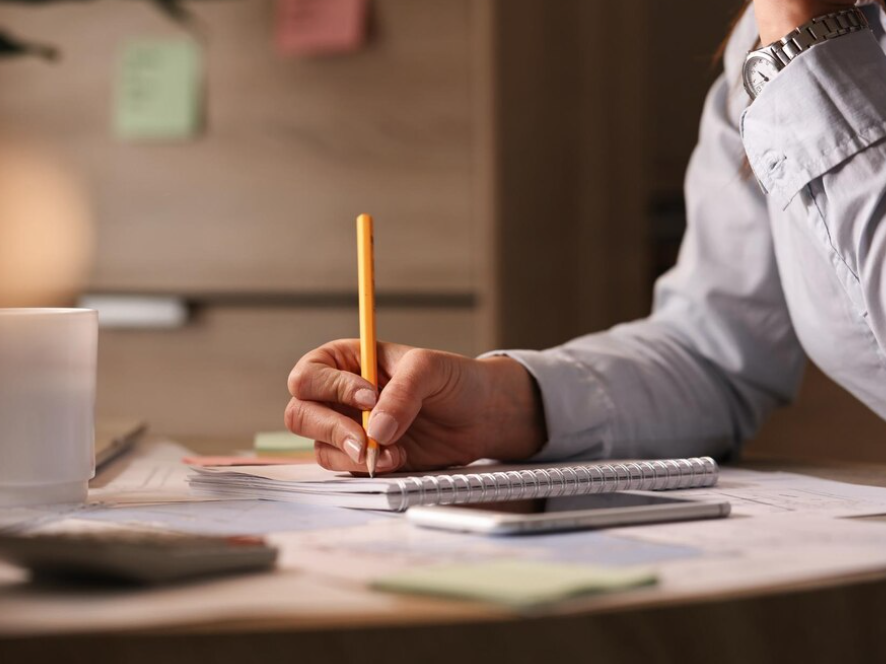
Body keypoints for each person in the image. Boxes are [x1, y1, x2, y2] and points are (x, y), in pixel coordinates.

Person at [285, 0, 886, 474]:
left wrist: (807, 35)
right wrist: (497, 407)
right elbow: (716, 356)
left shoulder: (794, 26)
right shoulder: (762, 44)